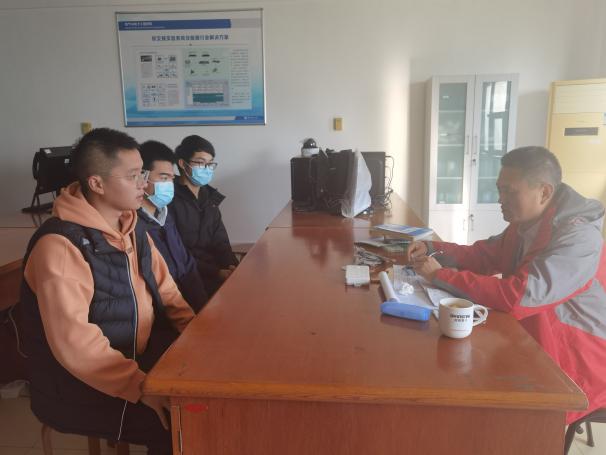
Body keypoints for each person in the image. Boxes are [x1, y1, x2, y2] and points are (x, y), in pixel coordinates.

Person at [20, 128, 195, 454]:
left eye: (143, 173)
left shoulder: (132, 228)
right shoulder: (60, 246)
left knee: (206, 391)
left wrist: (196, 335)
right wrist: (140, 386)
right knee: (184, 420)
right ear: (97, 183)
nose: (144, 183)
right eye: (133, 176)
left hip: (132, 360)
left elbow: (168, 292)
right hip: (77, 385)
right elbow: (77, 346)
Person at [408, 146, 606, 424]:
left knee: (497, 411)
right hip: (534, 339)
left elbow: (517, 296)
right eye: (499, 190)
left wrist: (440, 275)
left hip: (578, 359)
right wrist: (433, 249)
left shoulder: (578, 239)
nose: (500, 199)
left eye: (510, 192)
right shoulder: (528, 223)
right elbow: (484, 255)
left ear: (544, 192)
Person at [137, 140, 208, 313]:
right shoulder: (133, 224)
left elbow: (188, 264)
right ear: (142, 177)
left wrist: (203, 307)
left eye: (170, 178)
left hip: (189, 305)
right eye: (163, 178)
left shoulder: (165, 216)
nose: (169, 184)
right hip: (165, 314)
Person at [171, 135, 238, 296]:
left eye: (210, 164)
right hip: (188, 279)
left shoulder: (210, 198)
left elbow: (221, 242)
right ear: (182, 163)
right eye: (201, 163)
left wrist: (233, 268)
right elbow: (178, 253)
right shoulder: (169, 200)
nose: (206, 168)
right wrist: (216, 272)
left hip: (217, 274)